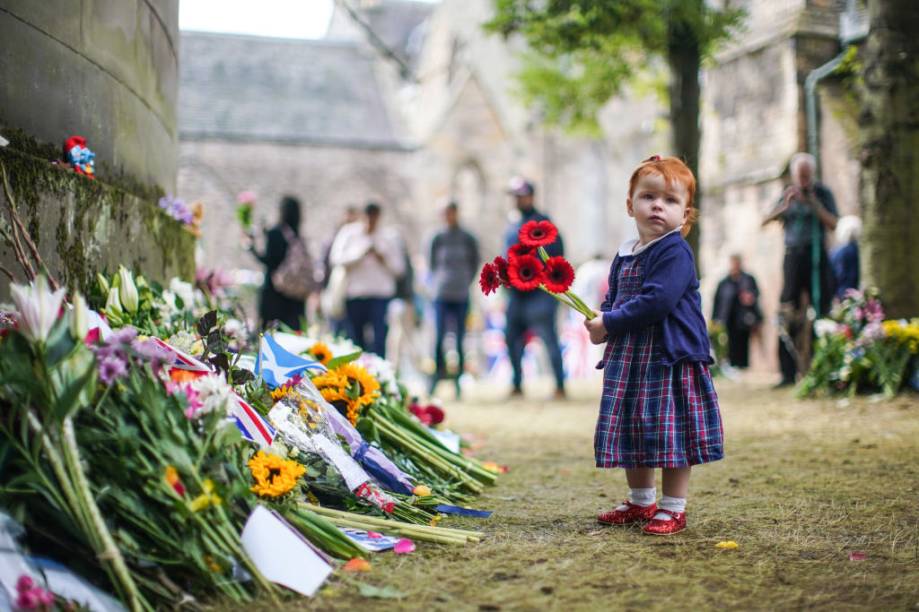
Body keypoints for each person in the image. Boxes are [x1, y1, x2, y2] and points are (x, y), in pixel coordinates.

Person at [584, 155, 723, 536]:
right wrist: (602, 322)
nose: (658, 205)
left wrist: (610, 321)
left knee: (670, 430)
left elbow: (656, 301)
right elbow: (616, 297)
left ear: (685, 213)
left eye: (670, 200)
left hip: (668, 357)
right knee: (635, 426)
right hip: (631, 357)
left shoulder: (674, 251)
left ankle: (674, 506)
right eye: (648, 196)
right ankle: (641, 501)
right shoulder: (626, 252)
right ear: (630, 205)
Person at [762, 152, 838, 387]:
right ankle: (787, 372)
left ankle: (823, 367)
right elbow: (764, 221)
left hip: (817, 256)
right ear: (794, 175)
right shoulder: (788, 193)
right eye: (800, 176)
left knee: (822, 307)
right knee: (787, 311)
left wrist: (814, 203)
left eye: (807, 176)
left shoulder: (822, 193)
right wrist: (785, 205)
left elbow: (835, 224)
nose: (803, 181)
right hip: (793, 255)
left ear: (812, 174)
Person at [504, 177, 567, 399]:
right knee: (511, 339)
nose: (517, 200)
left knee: (548, 339)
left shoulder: (544, 223)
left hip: (540, 293)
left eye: (520, 196)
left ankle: (560, 385)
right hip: (516, 294)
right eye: (514, 196)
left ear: (531, 196)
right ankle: (517, 384)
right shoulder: (512, 224)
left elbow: (556, 255)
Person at [329, 202, 404, 357]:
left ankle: (378, 375)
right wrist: (359, 255)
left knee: (379, 339)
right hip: (355, 294)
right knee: (355, 339)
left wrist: (383, 258)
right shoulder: (349, 233)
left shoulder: (388, 237)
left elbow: (400, 269)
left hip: (380, 295)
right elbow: (335, 259)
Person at [427, 201, 480, 396]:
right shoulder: (437, 238)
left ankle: (458, 379)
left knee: (459, 338)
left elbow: (474, 263)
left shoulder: (467, 238)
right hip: (441, 294)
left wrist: (465, 281)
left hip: (461, 294)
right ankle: (436, 377)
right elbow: (432, 264)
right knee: (439, 337)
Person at [248, 195, 307, 330]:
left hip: (274, 292)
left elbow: (269, 260)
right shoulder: (297, 235)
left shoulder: (275, 232)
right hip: (294, 294)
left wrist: (251, 248)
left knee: (269, 334)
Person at [712, 254, 762, 369]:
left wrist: (751, 298)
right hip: (727, 318)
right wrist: (715, 319)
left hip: (744, 318)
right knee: (729, 342)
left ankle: (743, 365)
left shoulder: (748, 279)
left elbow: (756, 294)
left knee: (743, 342)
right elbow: (717, 301)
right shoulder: (724, 282)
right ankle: (730, 365)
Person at [320, 206, 359, 336]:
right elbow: (325, 267)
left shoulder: (360, 241)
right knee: (336, 330)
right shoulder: (333, 241)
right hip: (336, 291)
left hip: (354, 294)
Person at [831, 215, 861, 299]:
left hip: (841, 293)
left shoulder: (836, 252)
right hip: (856, 292)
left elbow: (833, 275)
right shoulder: (859, 251)